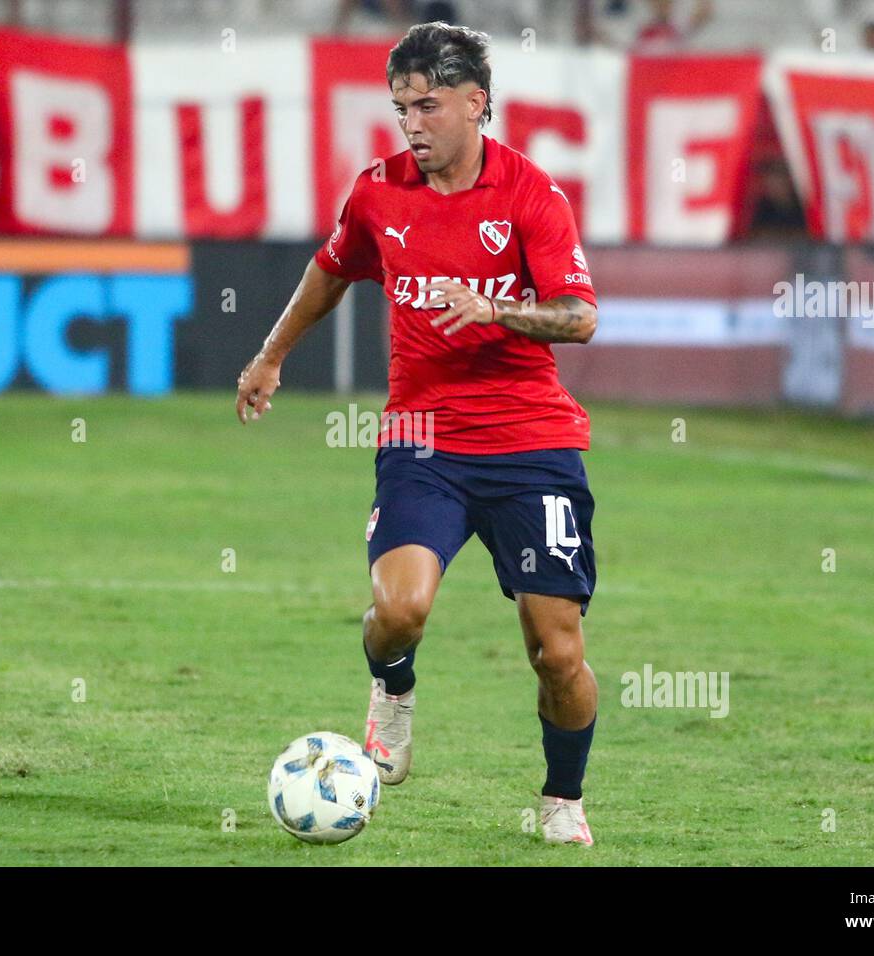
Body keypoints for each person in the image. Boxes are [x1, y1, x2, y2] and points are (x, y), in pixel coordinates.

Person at [235, 22, 601, 844]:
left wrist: (497, 309)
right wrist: (270, 357)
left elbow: (580, 317)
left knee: (557, 651)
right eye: (402, 106)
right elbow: (329, 270)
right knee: (397, 610)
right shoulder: (377, 192)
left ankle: (562, 800)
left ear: (477, 104)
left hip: (531, 446)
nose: (412, 123)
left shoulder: (533, 195)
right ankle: (392, 693)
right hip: (422, 442)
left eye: (427, 105)